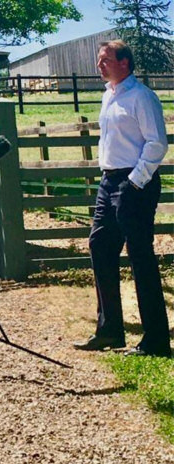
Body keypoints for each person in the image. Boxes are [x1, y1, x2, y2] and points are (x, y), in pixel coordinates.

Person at [74, 40, 171, 357]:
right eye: (99, 60)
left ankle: (156, 339)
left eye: (105, 60)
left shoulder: (141, 97)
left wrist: (134, 183)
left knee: (140, 257)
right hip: (109, 180)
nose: (99, 65)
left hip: (135, 182)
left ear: (124, 63)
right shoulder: (109, 96)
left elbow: (157, 144)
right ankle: (110, 330)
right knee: (100, 246)